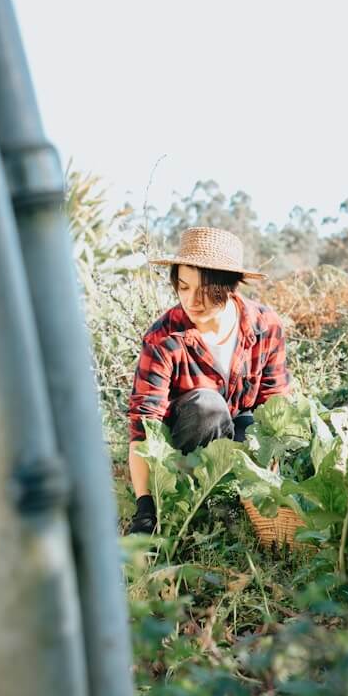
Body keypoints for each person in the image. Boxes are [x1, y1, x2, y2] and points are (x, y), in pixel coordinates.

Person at [127, 226, 290, 534]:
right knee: (208, 406)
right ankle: (191, 504)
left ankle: (238, 505)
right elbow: (143, 427)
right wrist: (145, 508)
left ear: (229, 287)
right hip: (187, 444)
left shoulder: (265, 326)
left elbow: (276, 407)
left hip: (238, 436)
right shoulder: (163, 337)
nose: (192, 301)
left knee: (253, 424)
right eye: (184, 287)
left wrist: (272, 478)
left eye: (205, 290)